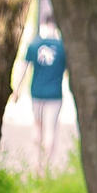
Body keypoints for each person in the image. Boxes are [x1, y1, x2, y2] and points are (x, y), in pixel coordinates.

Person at [23, 15, 70, 172]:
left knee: (37, 127)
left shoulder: (34, 45)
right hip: (54, 95)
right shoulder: (64, 47)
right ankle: (46, 167)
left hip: (36, 93)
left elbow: (23, 67)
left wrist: (16, 89)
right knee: (51, 129)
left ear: (44, 25)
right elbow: (69, 72)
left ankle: (37, 163)